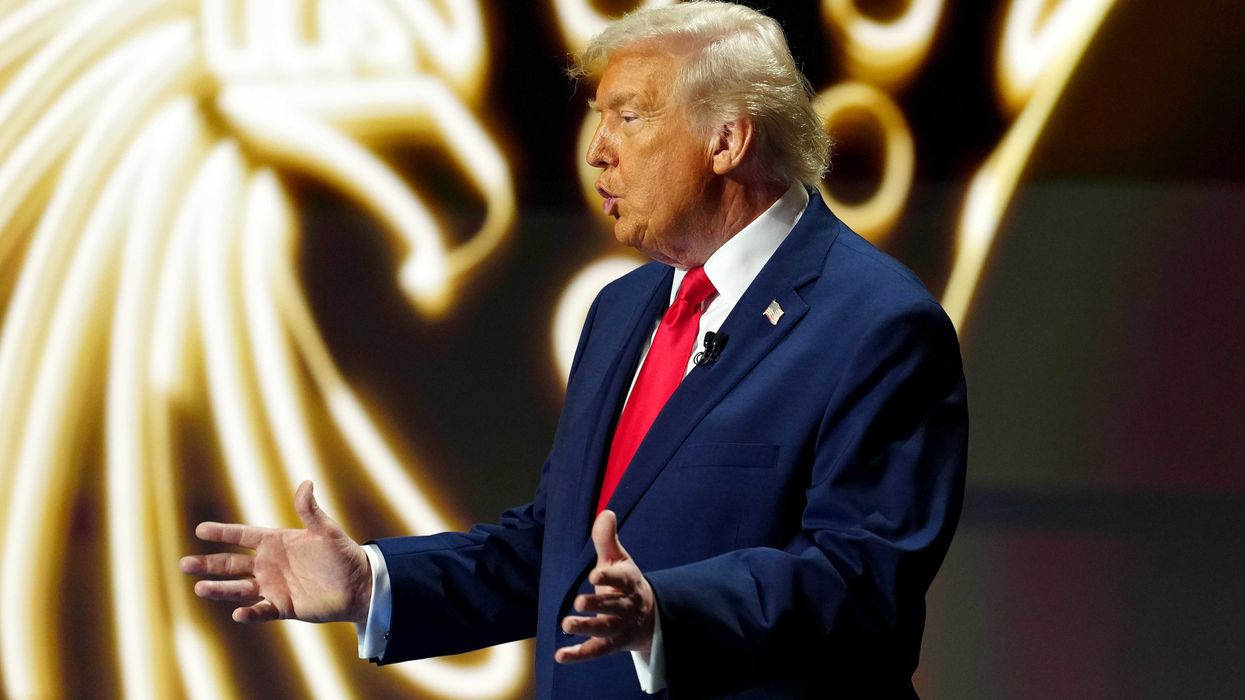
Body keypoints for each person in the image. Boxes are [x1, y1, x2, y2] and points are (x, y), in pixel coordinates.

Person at [181, 3, 967, 698]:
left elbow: (862, 578)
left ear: (727, 139)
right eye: (598, 118)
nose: (597, 151)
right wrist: (375, 581)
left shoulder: (876, 323)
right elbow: (550, 547)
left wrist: (667, 610)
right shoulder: (622, 309)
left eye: (628, 117)